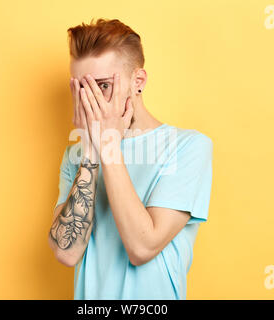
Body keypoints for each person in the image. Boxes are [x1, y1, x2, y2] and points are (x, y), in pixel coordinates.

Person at [48, 18, 213, 300]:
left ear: (138, 82)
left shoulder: (187, 147)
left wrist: (108, 146)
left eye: (101, 86)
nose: (90, 102)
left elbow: (142, 247)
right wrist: (91, 150)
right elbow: (67, 252)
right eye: (80, 89)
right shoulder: (77, 154)